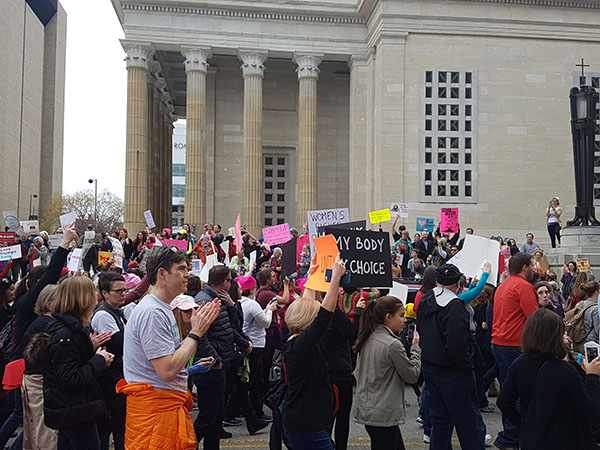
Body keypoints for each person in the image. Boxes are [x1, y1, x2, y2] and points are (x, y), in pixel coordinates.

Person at [118, 246, 221, 449]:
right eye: (181, 269)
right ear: (162, 273)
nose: (187, 275)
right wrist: (196, 333)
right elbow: (167, 370)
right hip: (156, 418)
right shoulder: (152, 312)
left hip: (162, 413)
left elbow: (171, 357)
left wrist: (193, 336)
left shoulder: (161, 308)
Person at [497, 308, 600, 450]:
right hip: (565, 439)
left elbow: (504, 401)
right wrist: (592, 376)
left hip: (532, 438)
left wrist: (524, 422)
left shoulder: (519, 364)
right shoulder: (565, 371)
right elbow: (591, 410)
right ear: (555, 337)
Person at [416, 264, 489, 449]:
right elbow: (458, 343)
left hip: (431, 368)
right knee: (468, 425)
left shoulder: (426, 300)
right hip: (453, 372)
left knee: (440, 423)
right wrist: (466, 363)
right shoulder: (454, 305)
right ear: (457, 284)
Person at [281, 254, 345, 450]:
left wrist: (312, 277)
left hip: (305, 423)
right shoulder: (301, 345)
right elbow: (324, 315)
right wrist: (334, 279)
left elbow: (306, 307)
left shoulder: (297, 341)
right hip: (306, 427)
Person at [42, 276, 114, 450]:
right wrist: (99, 360)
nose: (96, 296)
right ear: (84, 298)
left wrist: (92, 351)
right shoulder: (66, 333)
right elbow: (69, 379)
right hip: (75, 411)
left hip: (72, 409)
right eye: (93, 292)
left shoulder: (67, 328)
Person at [193, 265, 251, 449]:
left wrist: (232, 306)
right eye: (230, 280)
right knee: (207, 418)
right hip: (211, 367)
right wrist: (215, 360)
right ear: (225, 282)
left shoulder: (217, 298)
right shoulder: (205, 300)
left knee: (215, 419)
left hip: (220, 363)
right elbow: (199, 336)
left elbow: (229, 328)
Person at [353, 296, 421, 450]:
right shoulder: (392, 344)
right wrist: (415, 349)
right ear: (388, 317)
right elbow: (412, 375)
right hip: (383, 413)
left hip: (370, 410)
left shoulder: (367, 337)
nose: (404, 320)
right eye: (401, 315)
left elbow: (357, 373)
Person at [491, 252, 539, 450]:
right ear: (525, 267)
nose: (534, 269)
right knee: (520, 394)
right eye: (533, 265)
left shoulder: (503, 286)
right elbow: (536, 319)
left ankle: (509, 437)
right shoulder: (523, 287)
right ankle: (512, 438)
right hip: (514, 346)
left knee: (509, 392)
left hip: (500, 343)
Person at [91, 272, 127, 450]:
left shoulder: (116, 312)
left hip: (118, 375)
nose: (123, 294)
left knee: (120, 427)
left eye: (125, 290)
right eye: (118, 291)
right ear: (105, 293)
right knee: (114, 427)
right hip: (110, 379)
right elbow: (121, 343)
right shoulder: (103, 316)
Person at [236, 275, 274, 435]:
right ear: (253, 289)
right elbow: (265, 322)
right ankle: (241, 411)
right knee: (251, 381)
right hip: (255, 345)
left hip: (247, 343)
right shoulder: (252, 304)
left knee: (248, 380)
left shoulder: (240, 303)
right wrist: (270, 311)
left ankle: (249, 412)